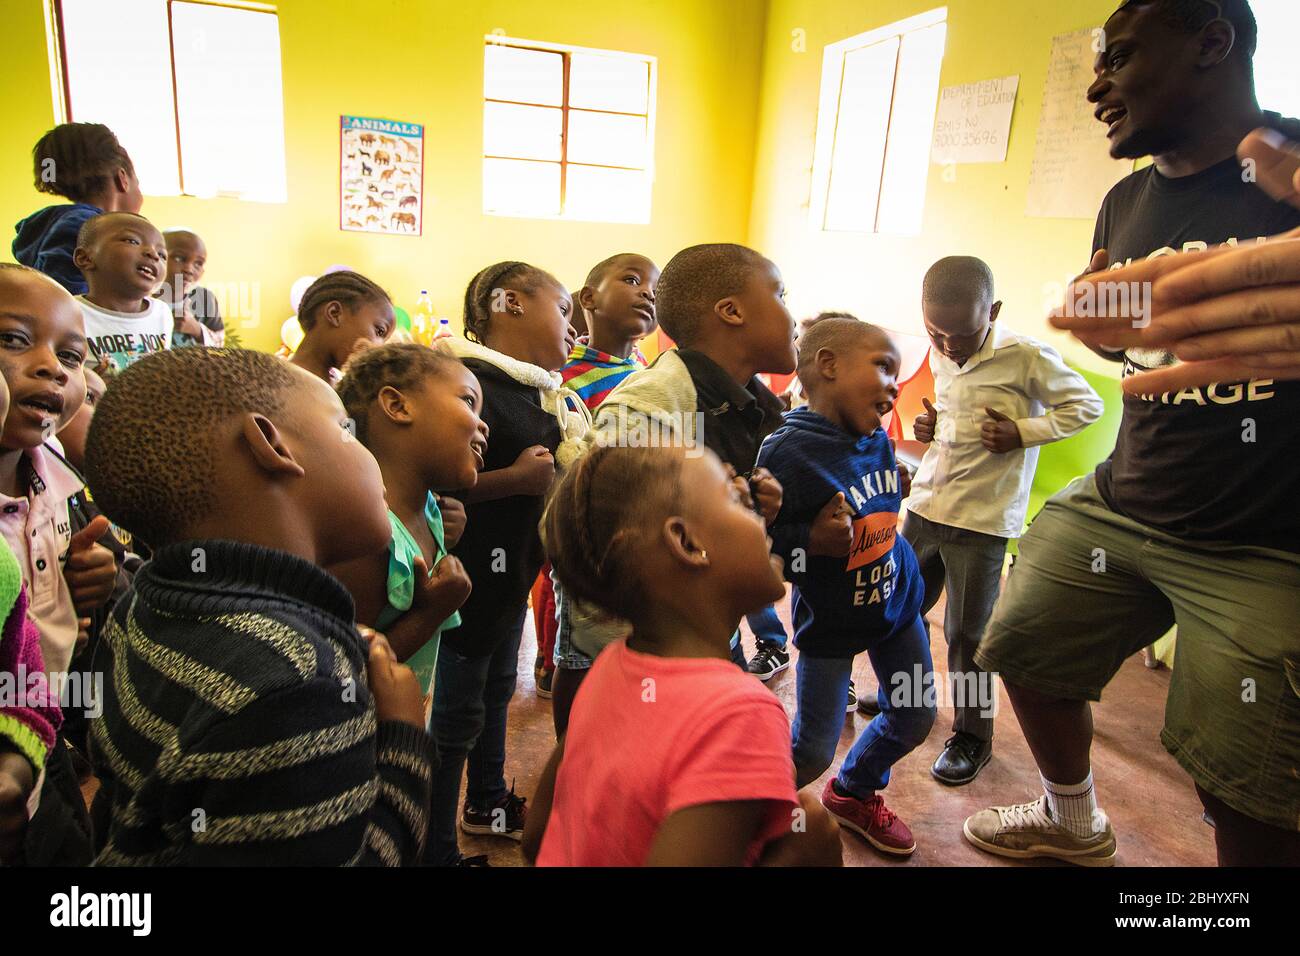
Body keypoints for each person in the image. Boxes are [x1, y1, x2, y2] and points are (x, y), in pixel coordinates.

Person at [965, 0, 1300, 866]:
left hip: (1268, 543)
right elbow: (1130, 329)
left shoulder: (1295, 163)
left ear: (1212, 42)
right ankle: (1073, 820)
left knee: (1246, 781)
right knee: (1025, 648)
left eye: (1116, 56)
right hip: (1125, 501)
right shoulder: (1124, 199)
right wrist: (1103, 317)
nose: (1097, 87)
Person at [82, 347, 434, 864]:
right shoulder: (296, 684)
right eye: (347, 429)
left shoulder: (141, 602)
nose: (370, 455)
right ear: (270, 444)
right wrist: (403, 741)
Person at [523, 443, 842, 868]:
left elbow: (535, 837)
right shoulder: (738, 714)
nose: (758, 509)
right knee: (811, 820)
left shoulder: (610, 669)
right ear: (687, 543)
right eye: (733, 498)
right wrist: (806, 852)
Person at [906, 256, 1102, 785]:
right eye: (935, 332)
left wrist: (1021, 432)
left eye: (962, 334)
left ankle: (972, 735)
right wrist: (929, 426)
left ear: (991, 311)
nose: (948, 346)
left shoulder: (1026, 356)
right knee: (901, 611)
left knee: (968, 634)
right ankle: (911, 698)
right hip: (926, 505)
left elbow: (1087, 407)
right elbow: (950, 410)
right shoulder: (945, 346)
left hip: (983, 518)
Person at [427, 261, 589, 865]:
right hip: (466, 588)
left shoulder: (539, 390)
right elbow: (435, 488)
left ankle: (487, 800)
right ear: (509, 304)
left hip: (510, 578)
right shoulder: (466, 383)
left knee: (498, 690)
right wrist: (517, 480)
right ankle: (435, 848)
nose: (574, 327)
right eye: (565, 309)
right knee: (454, 722)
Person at [758, 319, 932, 855]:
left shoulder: (874, 432)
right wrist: (809, 541)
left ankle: (854, 792)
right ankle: (743, 813)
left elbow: (870, 496)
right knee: (811, 749)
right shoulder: (785, 453)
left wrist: (895, 482)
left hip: (896, 607)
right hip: (832, 624)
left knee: (913, 716)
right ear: (828, 365)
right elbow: (760, 549)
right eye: (883, 366)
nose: (894, 384)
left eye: (896, 374)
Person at [581, 244, 793, 676]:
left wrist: (750, 505)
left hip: (707, 623)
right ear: (732, 311)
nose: (792, 317)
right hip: (646, 643)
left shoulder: (745, 403)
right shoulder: (647, 407)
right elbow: (612, 529)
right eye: (781, 295)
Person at [332, 343, 484, 696]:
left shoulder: (432, 510)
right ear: (398, 406)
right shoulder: (368, 537)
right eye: (468, 401)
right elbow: (344, 673)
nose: (484, 425)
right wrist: (431, 614)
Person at [547, 252, 658, 726]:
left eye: (655, 287)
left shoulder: (651, 372)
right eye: (632, 280)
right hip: (587, 533)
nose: (648, 292)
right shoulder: (564, 376)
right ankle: (569, 753)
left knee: (632, 648)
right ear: (588, 299)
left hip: (639, 531)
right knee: (578, 653)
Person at [13, 123, 142, 295]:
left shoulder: (60, 222)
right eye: (138, 183)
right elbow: (65, 294)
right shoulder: (86, 226)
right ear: (123, 179)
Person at [71, 212, 175, 373]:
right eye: (132, 241)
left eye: (162, 255)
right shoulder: (69, 312)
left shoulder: (162, 313)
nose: (153, 254)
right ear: (85, 258)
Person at [289, 271, 396, 384]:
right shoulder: (280, 380)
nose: (380, 347)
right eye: (379, 331)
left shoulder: (339, 389)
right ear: (334, 313)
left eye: (384, 341)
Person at [161, 228, 224, 347]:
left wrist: (197, 330)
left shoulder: (205, 299)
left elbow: (220, 344)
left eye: (198, 263)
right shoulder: (142, 296)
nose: (189, 269)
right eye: (179, 258)